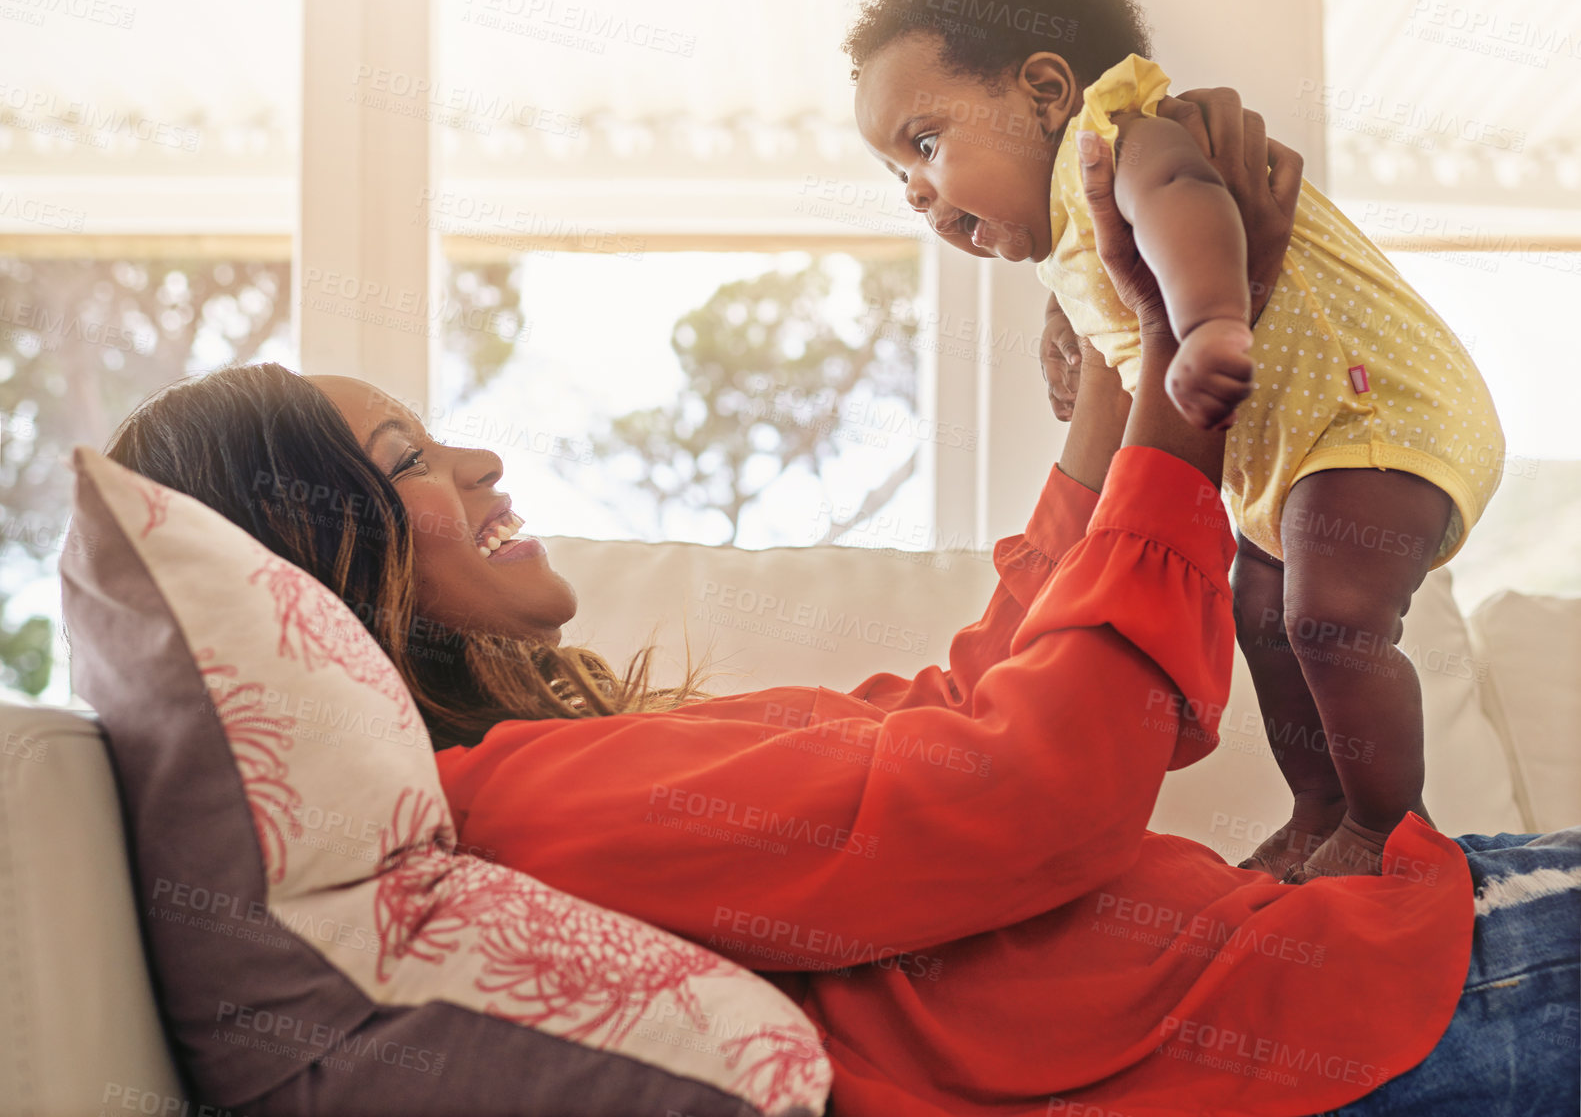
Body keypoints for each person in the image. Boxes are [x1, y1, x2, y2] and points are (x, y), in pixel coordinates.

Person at [105, 99, 1576, 1117]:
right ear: (333, 559)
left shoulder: (553, 784)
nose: (479, 454)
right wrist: (1189, 416)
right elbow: (1029, 789)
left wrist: (1117, 408)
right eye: (408, 459)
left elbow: (944, 731)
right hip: (1381, 1009)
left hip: (1376, 964)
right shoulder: (525, 812)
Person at [844, 0, 1508, 884]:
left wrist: (1205, 327)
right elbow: (1113, 278)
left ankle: (1387, 825)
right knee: (1266, 623)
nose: (914, 190)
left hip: (1374, 413)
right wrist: (1063, 312)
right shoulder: (1077, 220)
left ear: (1045, 91)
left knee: (1330, 622)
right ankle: (1317, 809)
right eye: (898, 173)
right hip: (1297, 456)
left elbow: (1187, 202)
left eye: (927, 142)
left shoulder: (1129, 139)